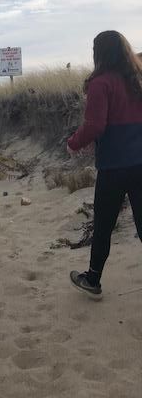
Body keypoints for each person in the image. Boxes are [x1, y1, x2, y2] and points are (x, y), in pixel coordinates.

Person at [67, 31, 142, 300]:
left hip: (114, 167)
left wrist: (73, 143)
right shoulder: (136, 79)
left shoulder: (101, 83)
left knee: (103, 225)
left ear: (100, 53)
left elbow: (95, 125)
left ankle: (93, 280)